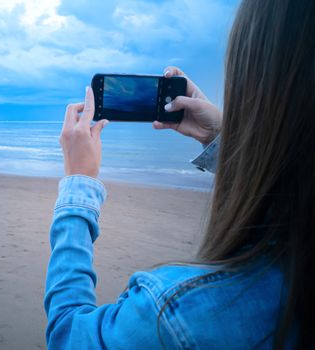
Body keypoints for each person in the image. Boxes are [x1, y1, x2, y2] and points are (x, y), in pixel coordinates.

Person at [44, 0, 314, 348]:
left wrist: (78, 183)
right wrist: (220, 139)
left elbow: (68, 335)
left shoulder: (184, 316)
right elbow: (288, 204)